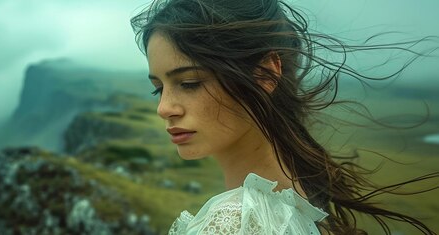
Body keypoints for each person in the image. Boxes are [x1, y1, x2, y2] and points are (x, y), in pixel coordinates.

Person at [130, 0, 438, 234]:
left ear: (265, 73)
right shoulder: (294, 203)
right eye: (158, 89)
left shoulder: (233, 223)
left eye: (189, 83)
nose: (164, 108)